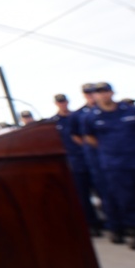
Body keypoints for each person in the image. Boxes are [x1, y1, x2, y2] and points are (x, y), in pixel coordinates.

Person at [83, 82, 135, 249]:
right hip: (114, 165)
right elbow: (89, 138)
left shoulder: (129, 110)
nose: (103, 95)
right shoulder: (91, 117)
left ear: (112, 92)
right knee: (126, 199)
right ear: (96, 95)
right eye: (99, 92)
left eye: (106, 91)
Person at [50, 93, 103, 235]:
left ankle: (109, 221)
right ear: (56, 104)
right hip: (73, 161)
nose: (62, 104)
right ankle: (92, 224)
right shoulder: (53, 122)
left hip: (91, 157)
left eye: (64, 101)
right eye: (59, 102)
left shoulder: (79, 115)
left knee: (102, 190)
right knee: (82, 194)